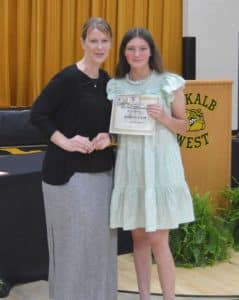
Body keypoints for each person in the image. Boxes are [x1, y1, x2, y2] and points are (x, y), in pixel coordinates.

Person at [30, 17, 117, 300]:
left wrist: (110, 137)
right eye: (93, 41)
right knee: (73, 249)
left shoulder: (109, 83)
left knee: (101, 248)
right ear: (82, 43)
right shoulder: (67, 79)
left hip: (103, 177)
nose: (99, 46)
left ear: (111, 44)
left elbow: (115, 126)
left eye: (104, 41)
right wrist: (65, 142)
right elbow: (38, 114)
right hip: (68, 177)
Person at [107, 27, 195, 300]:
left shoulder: (169, 82)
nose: (137, 54)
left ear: (151, 51)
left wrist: (164, 119)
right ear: (124, 52)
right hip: (132, 166)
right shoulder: (116, 86)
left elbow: (186, 126)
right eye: (131, 49)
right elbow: (111, 127)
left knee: (159, 239)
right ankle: (144, 296)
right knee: (139, 238)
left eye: (142, 49)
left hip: (160, 165)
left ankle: (169, 297)